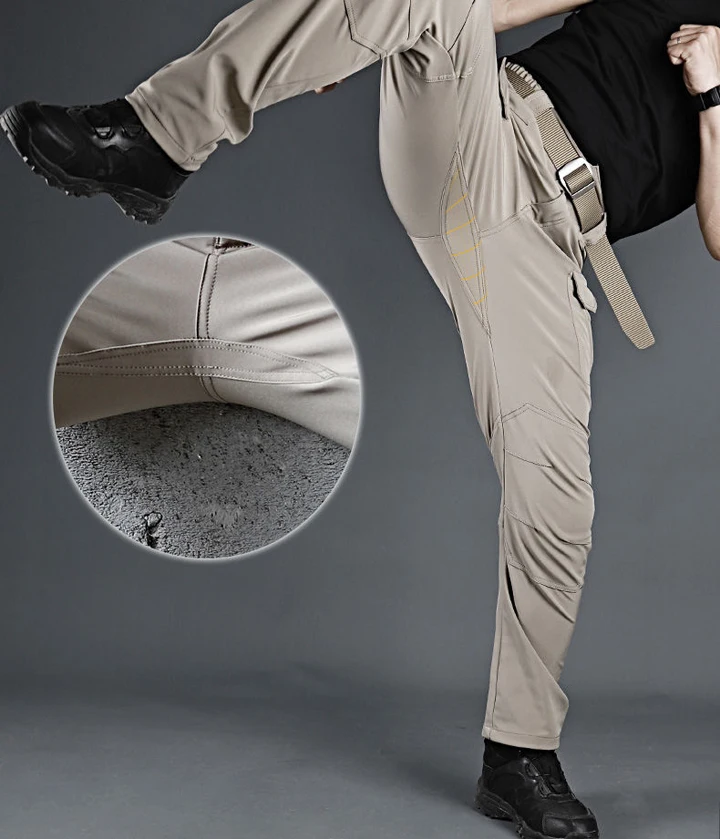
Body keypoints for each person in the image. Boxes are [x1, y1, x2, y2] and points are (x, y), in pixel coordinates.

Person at [2, 1, 719, 837]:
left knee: (558, 504)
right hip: (477, 131)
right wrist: (348, 34)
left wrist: (712, 94)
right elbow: (487, 10)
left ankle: (518, 754)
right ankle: (155, 133)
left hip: (544, 246)